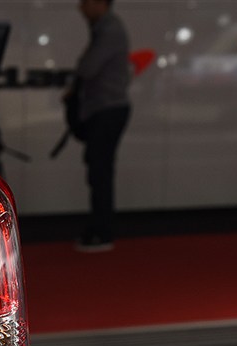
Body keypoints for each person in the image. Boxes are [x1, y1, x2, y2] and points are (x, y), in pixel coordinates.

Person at [68, 0, 131, 251]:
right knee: (99, 171)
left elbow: (88, 67)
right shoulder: (105, 28)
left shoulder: (109, 30)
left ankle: (102, 232)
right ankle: (99, 228)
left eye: (86, 2)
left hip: (107, 111)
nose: (81, 8)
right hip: (106, 110)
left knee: (100, 172)